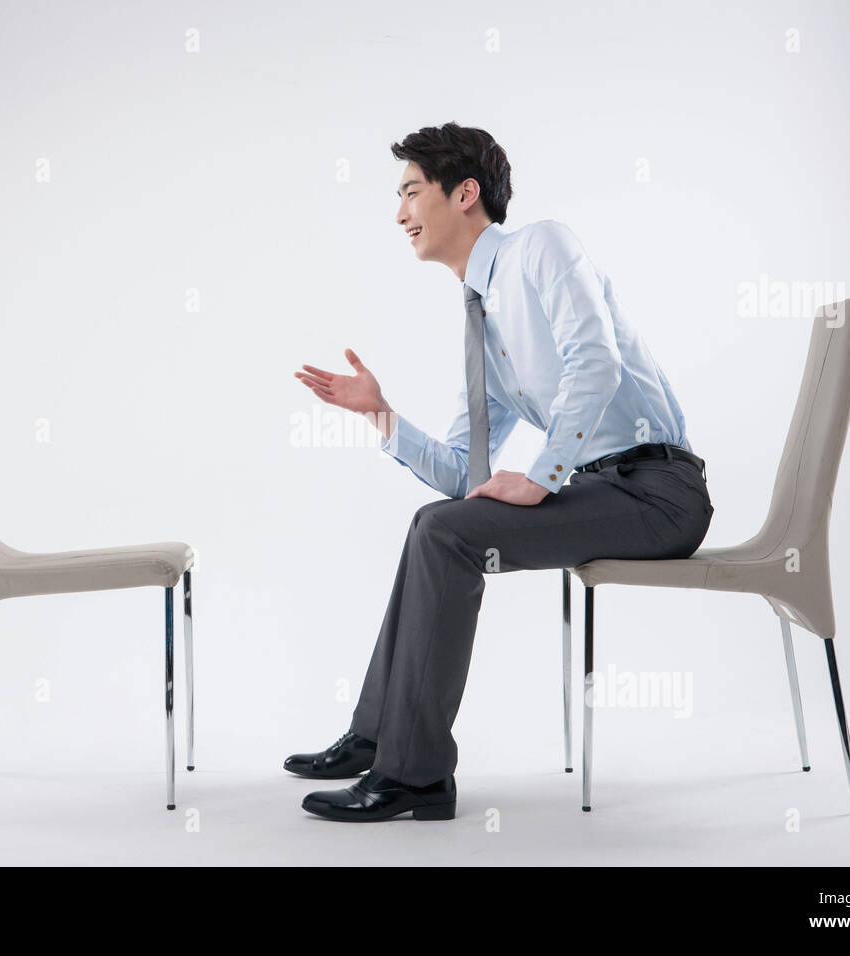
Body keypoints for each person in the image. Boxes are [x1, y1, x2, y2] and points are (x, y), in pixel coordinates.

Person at [288, 122, 714, 822]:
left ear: (464, 194)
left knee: (444, 535)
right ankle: (378, 739)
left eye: (410, 192)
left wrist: (542, 476)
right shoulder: (482, 320)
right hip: (603, 488)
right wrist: (381, 415)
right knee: (439, 522)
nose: (399, 214)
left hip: (662, 493)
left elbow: (596, 363)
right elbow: (463, 474)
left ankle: (415, 775)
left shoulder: (541, 247)